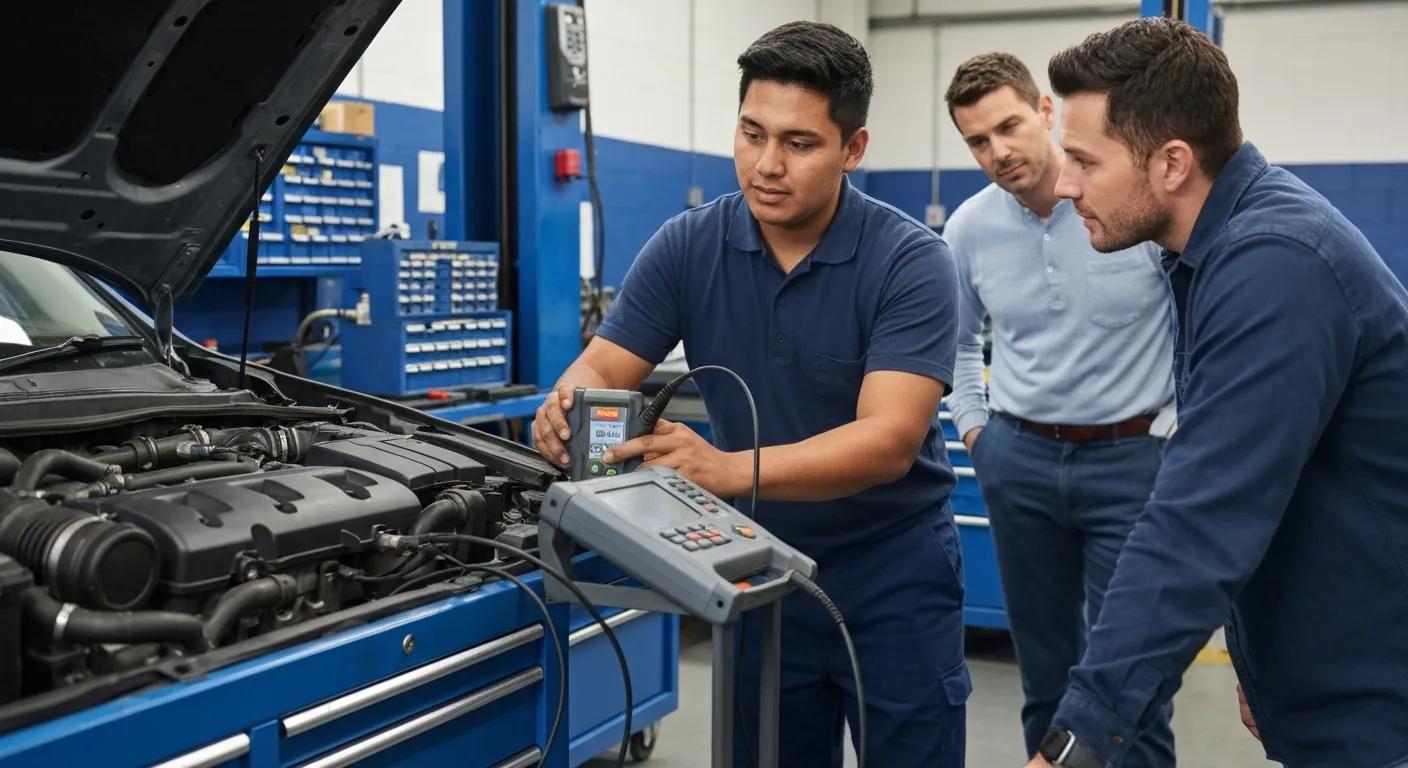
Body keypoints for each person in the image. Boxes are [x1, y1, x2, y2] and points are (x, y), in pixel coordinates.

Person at [532, 20, 969, 768]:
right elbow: (602, 367)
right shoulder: (688, 245)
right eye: (751, 133)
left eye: (799, 143)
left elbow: (889, 441)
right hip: (753, 567)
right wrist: (566, 403)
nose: (767, 164)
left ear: (853, 149)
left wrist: (728, 469)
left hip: (892, 576)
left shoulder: (911, 261)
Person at [1027, 17, 1408, 768]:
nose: (1065, 184)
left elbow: (1202, 520)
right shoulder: (1218, 250)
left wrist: (1077, 744)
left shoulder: (1277, 265)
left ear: (1172, 162)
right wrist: (1267, 662)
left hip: (1382, 698)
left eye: (1084, 160)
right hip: (1340, 676)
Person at [942, 52, 1175, 766]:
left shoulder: (1125, 205)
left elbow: (1194, 326)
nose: (998, 151)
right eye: (978, 141)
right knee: (1044, 674)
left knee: (1130, 678)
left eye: (1009, 126)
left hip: (1132, 463)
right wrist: (980, 435)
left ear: (1045, 111)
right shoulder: (969, 229)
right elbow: (956, 346)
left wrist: (1172, 432)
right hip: (1020, 464)